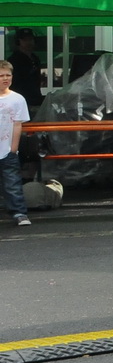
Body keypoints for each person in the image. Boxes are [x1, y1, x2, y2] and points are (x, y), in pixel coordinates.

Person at [0, 61, 30, 226]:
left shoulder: (17, 99)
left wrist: (14, 148)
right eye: (1, 76)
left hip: (7, 150)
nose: (5, 79)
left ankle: (19, 212)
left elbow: (18, 124)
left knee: (12, 182)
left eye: (8, 75)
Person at [7, 29, 44, 109]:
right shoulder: (13, 60)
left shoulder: (35, 58)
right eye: (25, 40)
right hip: (20, 101)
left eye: (30, 39)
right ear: (18, 42)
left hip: (35, 100)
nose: (28, 42)